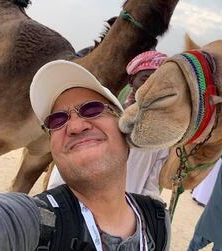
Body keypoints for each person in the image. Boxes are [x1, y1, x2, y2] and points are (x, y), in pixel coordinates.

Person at [0, 60, 170, 251]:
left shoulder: (157, 223)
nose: (75, 126)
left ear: (123, 128)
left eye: (92, 109)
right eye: (57, 120)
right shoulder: (31, 222)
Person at [46, 51, 169, 200]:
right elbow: (65, 173)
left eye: (159, 81)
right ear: (131, 81)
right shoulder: (103, 120)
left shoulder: (162, 137)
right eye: (145, 79)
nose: (151, 87)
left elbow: (151, 186)